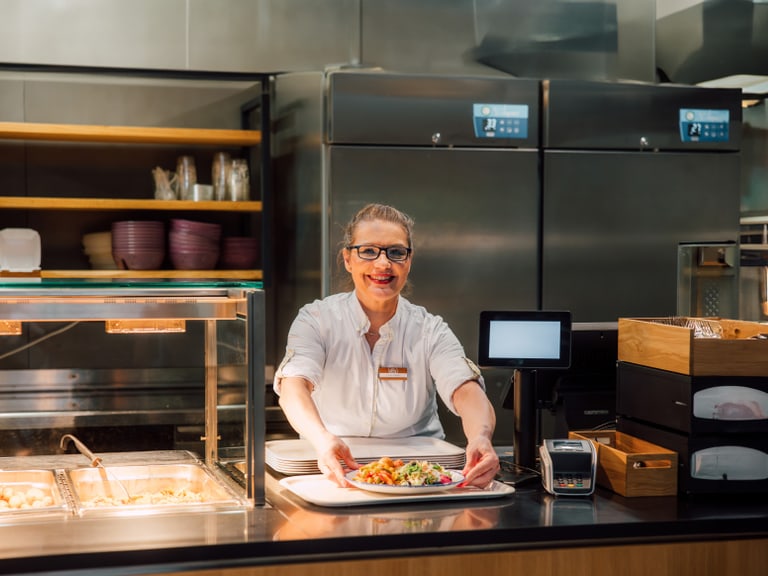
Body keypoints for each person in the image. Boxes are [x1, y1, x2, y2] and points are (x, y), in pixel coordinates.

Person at [274, 203, 500, 488]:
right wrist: (322, 438)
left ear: (409, 260)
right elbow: (294, 387)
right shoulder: (316, 319)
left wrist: (481, 437)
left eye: (395, 252)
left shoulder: (430, 329)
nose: (382, 264)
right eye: (368, 251)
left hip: (420, 479)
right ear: (348, 259)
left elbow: (466, 390)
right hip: (330, 468)